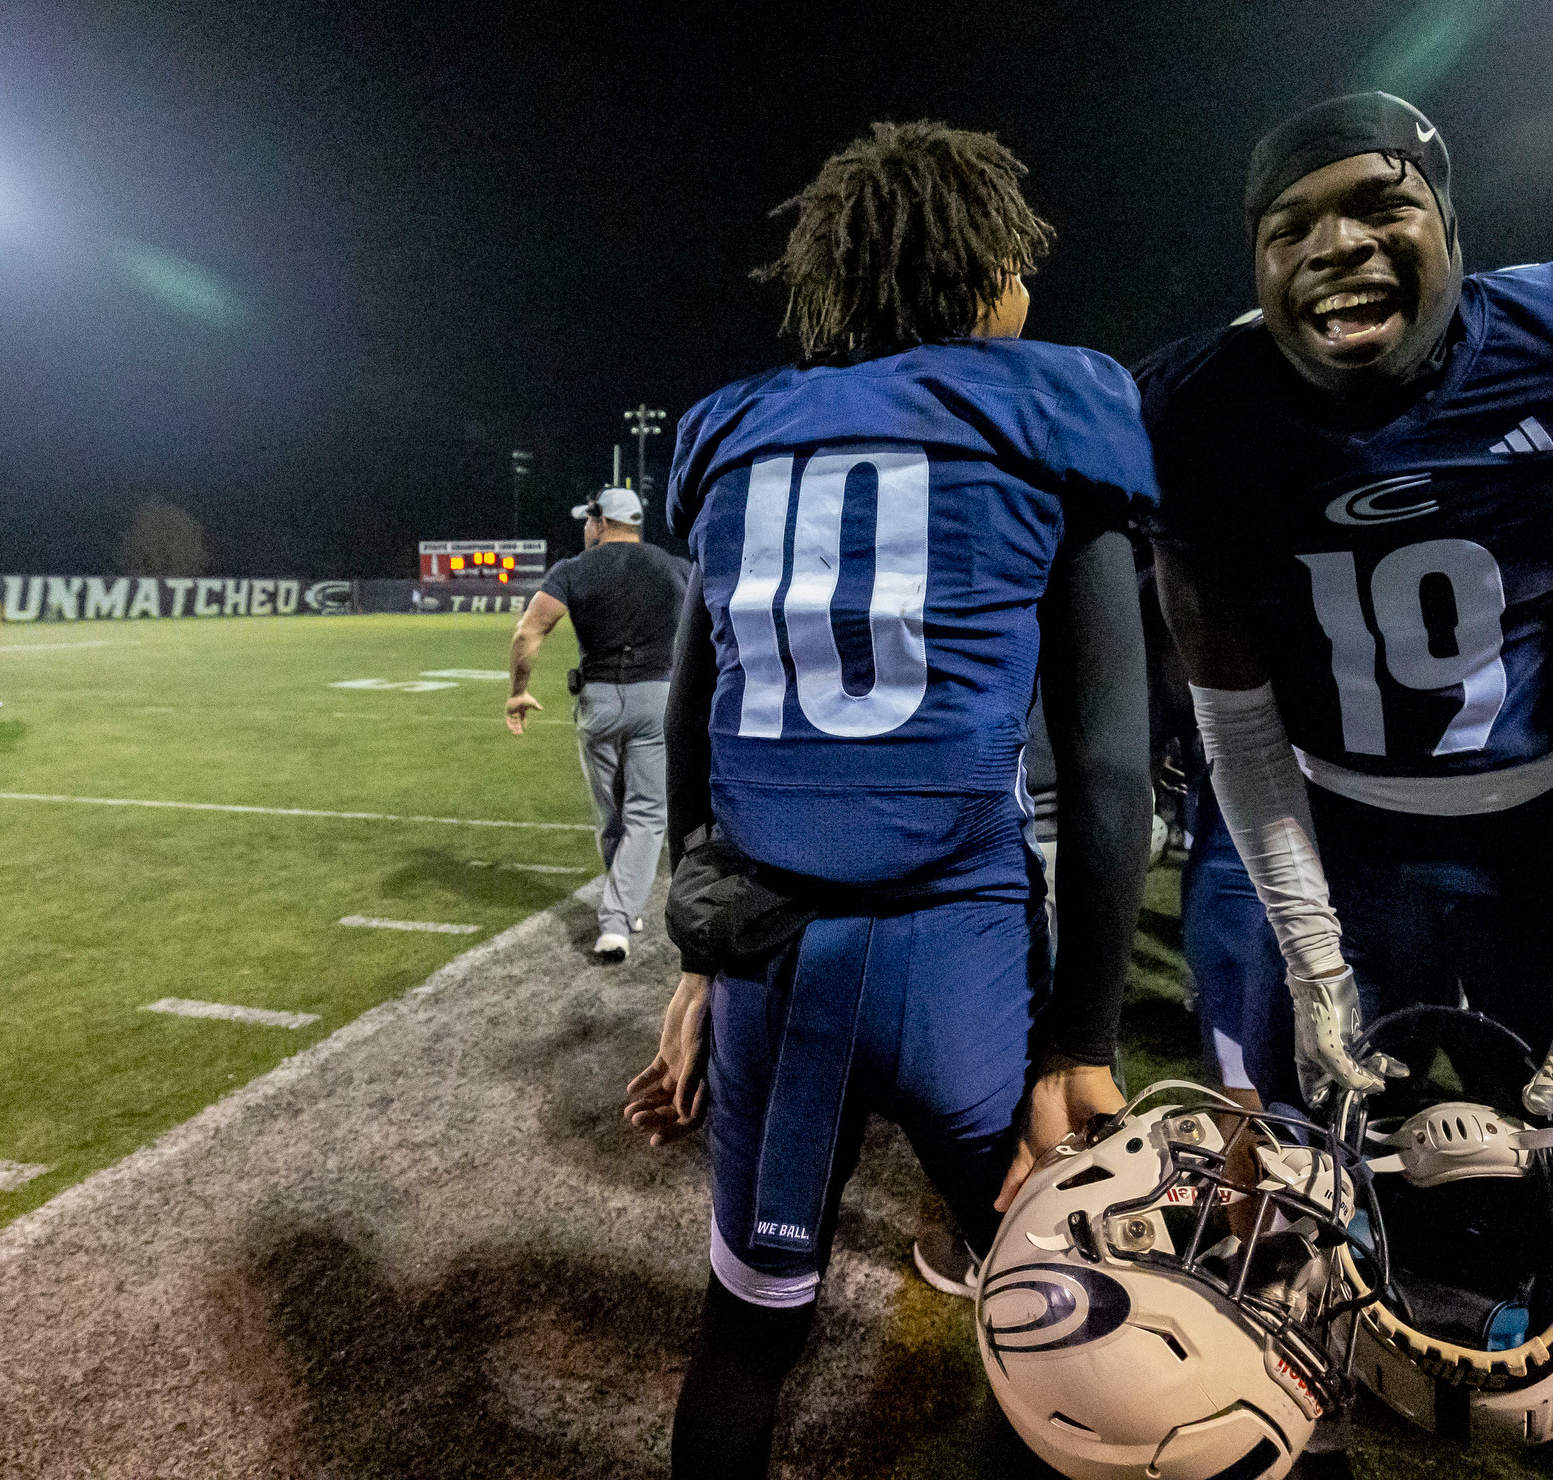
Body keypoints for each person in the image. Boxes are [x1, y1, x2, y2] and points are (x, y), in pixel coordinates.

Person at [1143, 93, 1553, 1480]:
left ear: (1448, 221)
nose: (1333, 247)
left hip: (1552, 834)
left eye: (1376, 206)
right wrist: (1308, 953)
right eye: (1287, 226)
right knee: (1279, 1213)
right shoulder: (1196, 419)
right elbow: (1234, 730)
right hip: (1328, 833)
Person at [621, 121, 1155, 1480]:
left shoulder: (732, 431)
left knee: (745, 1338)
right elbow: (1103, 771)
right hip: (958, 953)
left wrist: (700, 961)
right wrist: (1079, 1040)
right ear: (986, 273)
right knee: (1060, 1323)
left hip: (769, 951)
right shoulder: (1050, 404)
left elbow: (696, 722)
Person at [506, 486, 690, 961]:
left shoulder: (574, 569)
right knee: (647, 813)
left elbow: (528, 631)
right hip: (658, 699)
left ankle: (615, 920)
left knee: (611, 813)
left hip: (598, 701)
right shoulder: (674, 567)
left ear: (601, 521)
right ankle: (624, 906)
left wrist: (518, 691)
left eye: (587, 521)